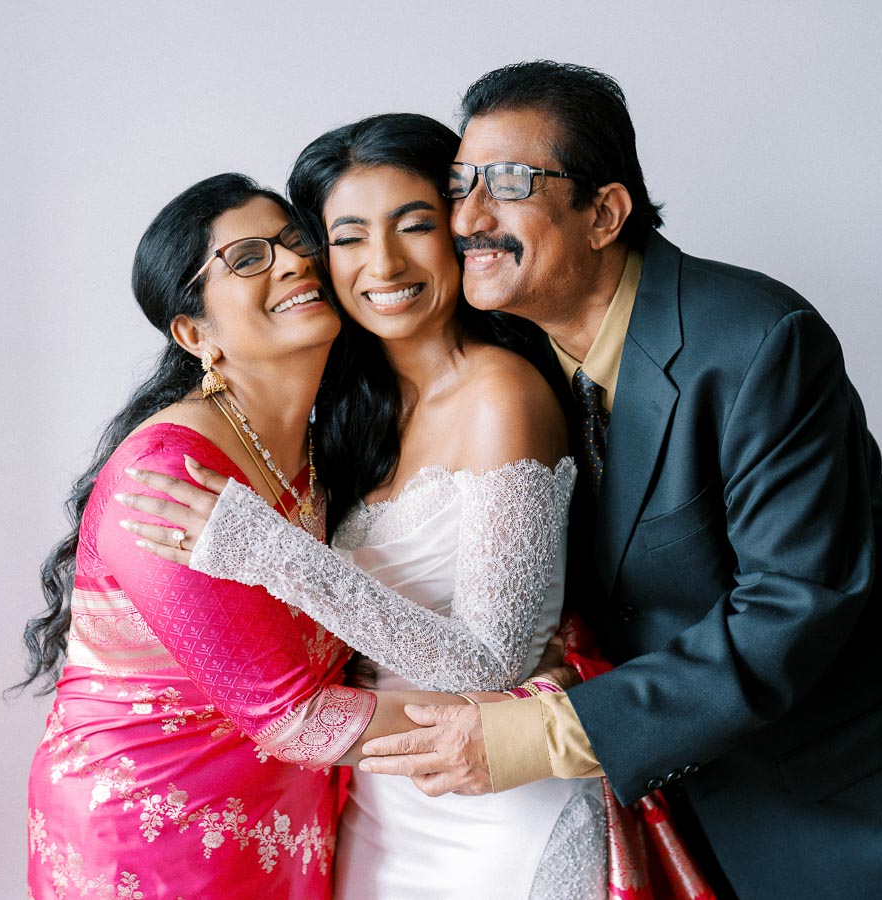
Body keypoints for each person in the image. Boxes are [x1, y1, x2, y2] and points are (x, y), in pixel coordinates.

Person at [345, 62, 882, 899]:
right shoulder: (521, 364)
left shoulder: (757, 342)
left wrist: (540, 730)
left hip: (862, 812)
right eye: (460, 186)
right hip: (692, 806)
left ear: (604, 213)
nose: (470, 218)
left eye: (510, 182)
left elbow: (792, 606)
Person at [119, 114, 611, 900]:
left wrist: (270, 553)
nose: (383, 262)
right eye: (346, 237)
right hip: (381, 812)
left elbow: (495, 667)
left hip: (498, 816)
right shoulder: (342, 419)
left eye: (414, 225)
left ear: (456, 231)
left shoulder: (501, 395)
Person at [18, 173, 480, 899]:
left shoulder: (317, 451)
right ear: (195, 333)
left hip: (285, 816)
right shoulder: (166, 474)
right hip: (152, 828)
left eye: (296, 243)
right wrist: (529, 720)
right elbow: (298, 716)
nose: (294, 262)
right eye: (247, 258)